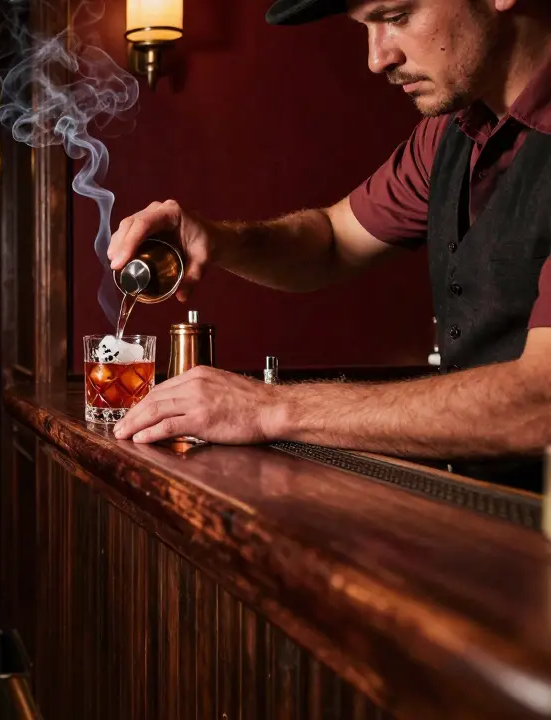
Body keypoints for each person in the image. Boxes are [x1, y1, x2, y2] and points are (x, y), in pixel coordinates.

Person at [106, 0, 551, 490]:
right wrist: (217, 240)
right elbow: (335, 240)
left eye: (397, 17)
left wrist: (271, 408)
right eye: (364, 27)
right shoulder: (451, 132)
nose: (377, 59)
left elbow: (542, 402)